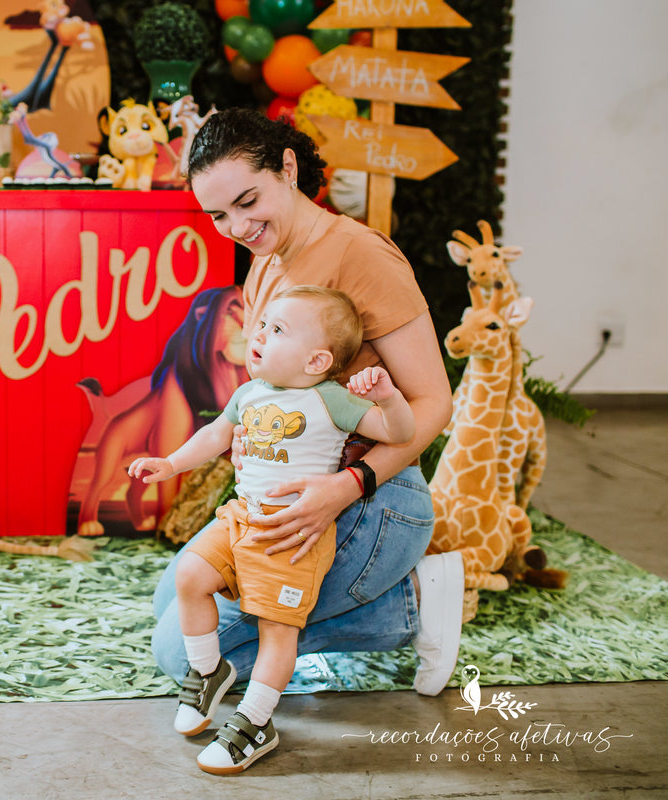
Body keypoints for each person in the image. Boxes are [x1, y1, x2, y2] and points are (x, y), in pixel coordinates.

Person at [150, 108, 463, 764]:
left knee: (177, 649)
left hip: (371, 498)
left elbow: (434, 401)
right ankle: (358, 604)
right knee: (174, 593)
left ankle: (410, 606)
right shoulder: (264, 263)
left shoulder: (360, 254)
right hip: (290, 502)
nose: (238, 228)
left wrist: (345, 486)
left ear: (287, 169)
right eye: (218, 217)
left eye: (248, 201)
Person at [131, 286, 416, 774]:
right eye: (261, 323)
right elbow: (215, 434)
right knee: (190, 579)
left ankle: (256, 722)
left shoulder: (333, 400)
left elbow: (401, 433)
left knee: (276, 632)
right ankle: (208, 670)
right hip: (241, 517)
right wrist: (171, 463)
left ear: (316, 360)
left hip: (290, 536)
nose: (257, 333)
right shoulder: (249, 394)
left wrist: (388, 398)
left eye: (277, 329)